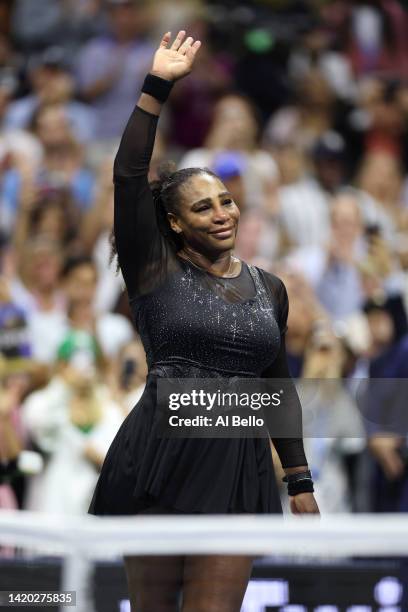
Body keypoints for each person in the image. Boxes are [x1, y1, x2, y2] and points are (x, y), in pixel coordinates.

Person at [88, 31, 319, 612]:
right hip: (161, 455)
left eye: (227, 201)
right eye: (202, 207)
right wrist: (156, 87)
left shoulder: (270, 288)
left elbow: (276, 386)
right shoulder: (152, 270)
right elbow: (127, 174)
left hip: (237, 464)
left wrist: (299, 481)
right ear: (172, 224)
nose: (222, 214)